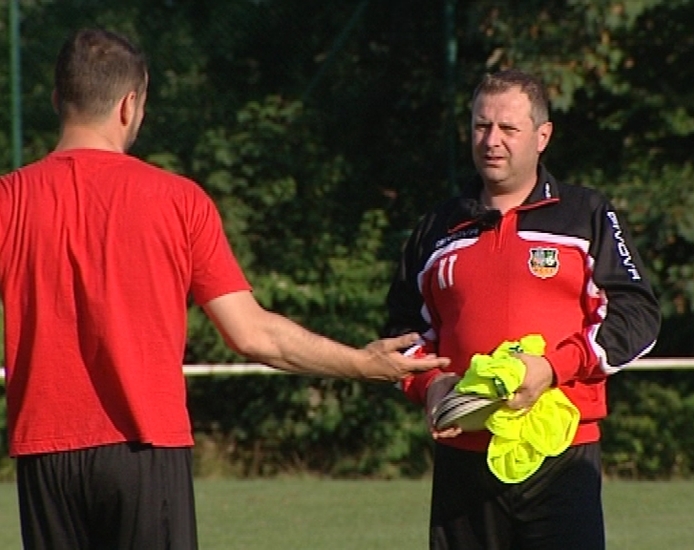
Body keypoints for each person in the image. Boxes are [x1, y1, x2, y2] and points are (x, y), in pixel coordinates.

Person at [0, 28, 449, 550]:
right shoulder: (177, 201)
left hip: (45, 454)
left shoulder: (10, 201)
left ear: (58, 99)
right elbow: (253, 334)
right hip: (147, 449)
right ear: (129, 105)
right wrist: (362, 362)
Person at [384, 68, 661, 549]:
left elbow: (637, 315)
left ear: (542, 135)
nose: (492, 141)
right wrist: (428, 386)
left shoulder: (587, 214)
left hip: (562, 456)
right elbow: (404, 333)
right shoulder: (436, 228)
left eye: (508, 129)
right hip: (463, 460)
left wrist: (553, 369)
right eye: (480, 126)